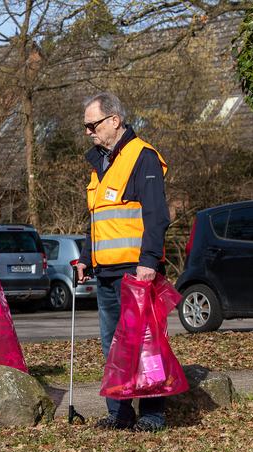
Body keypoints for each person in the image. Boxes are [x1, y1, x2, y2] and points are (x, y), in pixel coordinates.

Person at [75, 92, 171, 433]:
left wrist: (148, 260)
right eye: (86, 126)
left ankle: (152, 412)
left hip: (136, 272)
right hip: (105, 272)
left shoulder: (142, 157)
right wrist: (86, 257)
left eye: (93, 124)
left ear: (114, 120)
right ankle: (119, 412)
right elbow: (98, 218)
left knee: (145, 343)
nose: (88, 131)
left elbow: (156, 215)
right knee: (111, 346)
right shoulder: (101, 163)